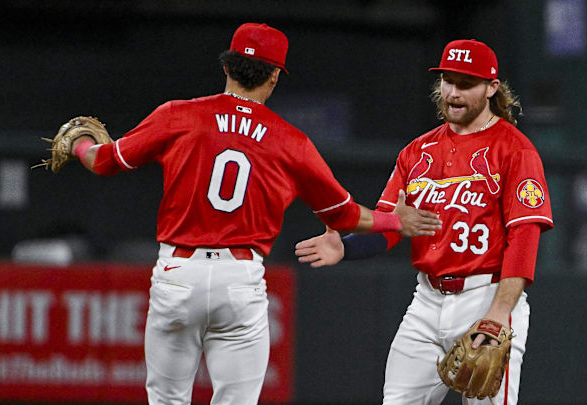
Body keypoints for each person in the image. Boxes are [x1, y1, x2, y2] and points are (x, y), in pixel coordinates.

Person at [62, 23, 441, 405]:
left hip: (178, 275)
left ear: (227, 68)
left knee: (166, 398)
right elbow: (345, 215)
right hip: (239, 279)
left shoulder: (179, 114)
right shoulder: (291, 141)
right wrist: (397, 220)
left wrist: (80, 144)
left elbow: (104, 162)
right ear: (275, 76)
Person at [295, 39, 553, 404]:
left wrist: (497, 314)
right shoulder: (416, 153)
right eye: (448, 80)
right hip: (427, 302)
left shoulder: (516, 150)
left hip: (487, 296)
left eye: (466, 83)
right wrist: (346, 247)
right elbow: (392, 226)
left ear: (492, 88)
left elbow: (525, 237)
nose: (453, 92)